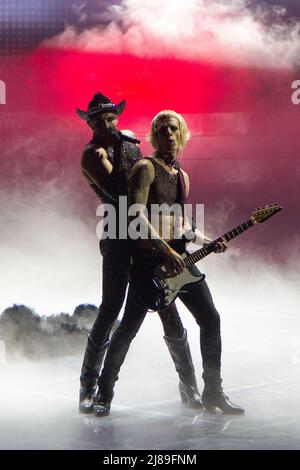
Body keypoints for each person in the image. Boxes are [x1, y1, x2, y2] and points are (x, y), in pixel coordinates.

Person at [95, 110, 245, 416]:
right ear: (154, 135)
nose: (168, 134)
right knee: (127, 330)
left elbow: (182, 224)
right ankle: (103, 394)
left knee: (211, 320)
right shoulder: (145, 168)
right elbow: (135, 216)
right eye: (161, 130)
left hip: (181, 264)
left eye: (173, 129)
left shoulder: (182, 177)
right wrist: (165, 251)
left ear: (183, 134)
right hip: (150, 264)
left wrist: (208, 242)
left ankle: (213, 393)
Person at [77, 94, 202, 414]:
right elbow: (122, 190)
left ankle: (189, 387)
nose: (107, 124)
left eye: (110, 118)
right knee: (111, 308)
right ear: (89, 123)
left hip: (148, 233)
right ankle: (88, 389)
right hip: (119, 233)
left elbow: (150, 185)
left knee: (168, 308)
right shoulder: (92, 154)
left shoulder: (132, 143)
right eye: (99, 120)